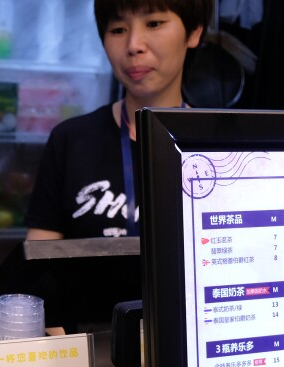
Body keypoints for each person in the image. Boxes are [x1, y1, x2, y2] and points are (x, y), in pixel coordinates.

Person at [25, 0, 212, 240]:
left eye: (153, 23)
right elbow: (39, 260)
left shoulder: (222, 147)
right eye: (118, 30)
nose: (133, 45)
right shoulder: (70, 140)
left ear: (194, 31)